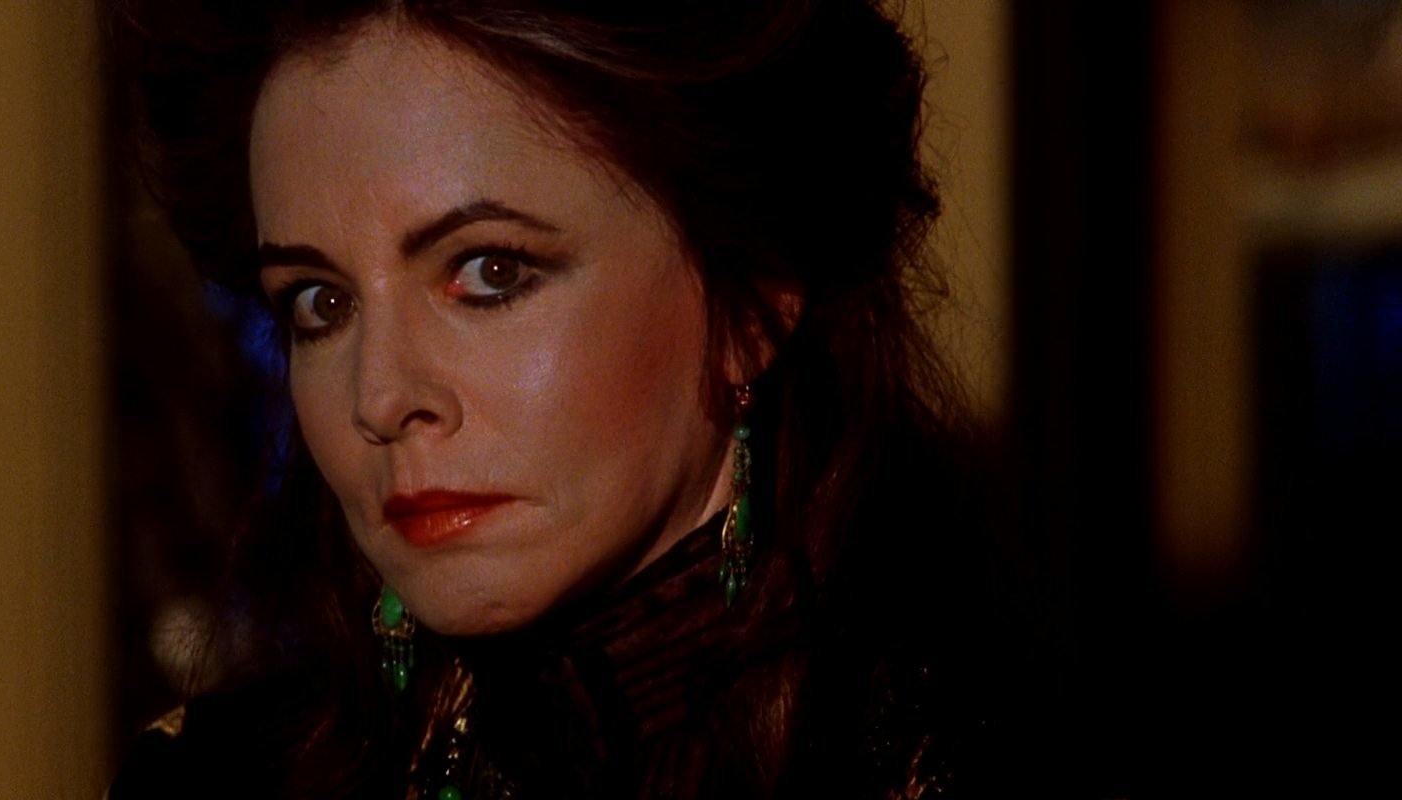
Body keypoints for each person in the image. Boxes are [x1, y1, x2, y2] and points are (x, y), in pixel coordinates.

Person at [110, 2, 1034, 797]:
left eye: (490, 272)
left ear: (753, 299)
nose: (379, 397)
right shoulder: (212, 780)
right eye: (321, 303)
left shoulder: (969, 765)